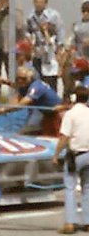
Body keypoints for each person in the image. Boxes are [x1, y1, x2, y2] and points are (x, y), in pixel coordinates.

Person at [52, 86, 89, 234]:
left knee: (70, 187)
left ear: (74, 98)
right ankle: (87, 222)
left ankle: (70, 222)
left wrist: (56, 154)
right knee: (87, 188)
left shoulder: (70, 114)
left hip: (76, 155)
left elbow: (64, 137)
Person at [0, 66, 63, 134]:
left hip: (54, 114)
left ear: (30, 78)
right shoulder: (28, 84)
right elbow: (19, 85)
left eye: (23, 78)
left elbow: (20, 106)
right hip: (43, 112)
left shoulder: (36, 87)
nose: (20, 81)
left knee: (27, 131)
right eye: (18, 78)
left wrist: (2, 110)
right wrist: (6, 82)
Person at [26, 0, 65, 84]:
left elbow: (60, 31)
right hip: (38, 51)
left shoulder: (53, 15)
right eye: (36, 2)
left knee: (50, 79)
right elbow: (28, 31)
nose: (38, 4)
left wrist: (59, 49)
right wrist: (30, 42)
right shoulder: (31, 17)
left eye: (41, 2)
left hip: (50, 51)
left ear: (45, 3)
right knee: (36, 78)